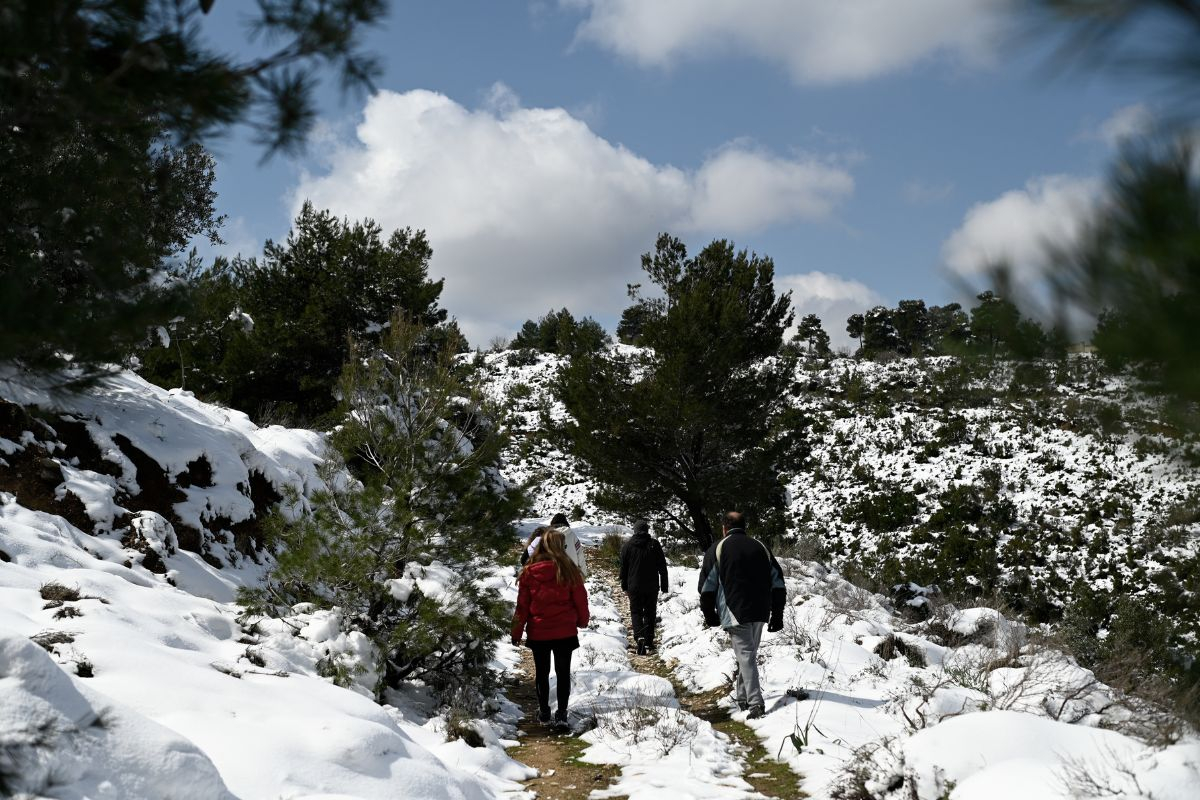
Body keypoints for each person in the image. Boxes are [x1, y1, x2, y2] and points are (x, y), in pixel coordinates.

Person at [697, 511, 786, 720]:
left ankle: (756, 703)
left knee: (745, 657)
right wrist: (777, 614)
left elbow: (706, 587)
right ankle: (742, 698)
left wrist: (709, 615)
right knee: (747, 656)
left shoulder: (718, 548)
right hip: (762, 610)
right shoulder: (761, 547)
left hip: (734, 610)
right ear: (744, 526)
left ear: (724, 528)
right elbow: (778, 582)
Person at [512, 528, 590, 728]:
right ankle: (562, 714)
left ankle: (544, 711)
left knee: (542, 673)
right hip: (565, 631)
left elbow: (522, 605)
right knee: (563, 673)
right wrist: (582, 620)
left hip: (539, 632)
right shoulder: (569, 569)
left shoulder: (529, 573)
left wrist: (517, 631)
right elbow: (581, 599)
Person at [619, 518, 669, 655]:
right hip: (652, 586)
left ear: (635, 531)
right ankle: (648, 641)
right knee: (650, 612)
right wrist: (664, 586)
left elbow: (623, 569)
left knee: (636, 612)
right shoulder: (654, 545)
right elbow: (662, 567)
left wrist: (624, 586)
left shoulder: (627, 546)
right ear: (647, 530)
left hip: (633, 586)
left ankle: (639, 636)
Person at [520, 512, 588, 578]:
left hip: (550, 578)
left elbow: (524, 558)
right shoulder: (573, 536)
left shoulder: (545, 536)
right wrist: (583, 575)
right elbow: (580, 556)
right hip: (570, 577)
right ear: (566, 524)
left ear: (552, 524)